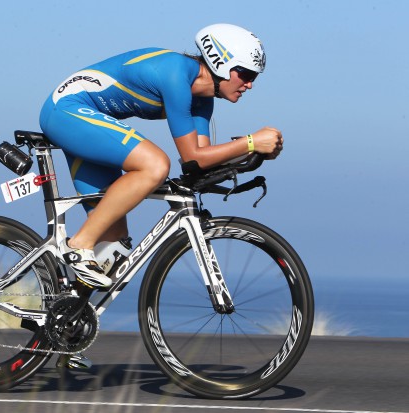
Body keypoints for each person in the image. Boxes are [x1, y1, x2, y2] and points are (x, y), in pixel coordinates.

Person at [40, 23, 283, 293]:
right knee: (155, 164)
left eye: (254, 77)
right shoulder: (176, 74)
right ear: (221, 63)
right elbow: (194, 155)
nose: (249, 84)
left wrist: (251, 151)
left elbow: (198, 162)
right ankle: (78, 245)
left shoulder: (202, 99)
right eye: (246, 73)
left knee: (114, 248)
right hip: (67, 110)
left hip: (90, 123)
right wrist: (250, 141)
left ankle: (63, 319)